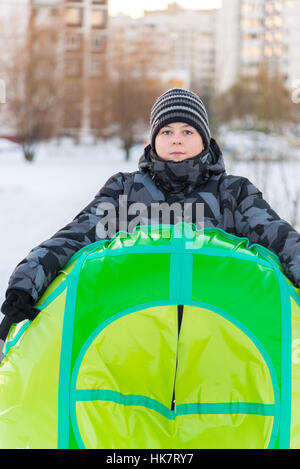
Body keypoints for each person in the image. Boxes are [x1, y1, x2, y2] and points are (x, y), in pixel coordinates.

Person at [1, 88, 300, 325]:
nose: (177, 140)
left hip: (219, 334)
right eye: (167, 132)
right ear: (154, 139)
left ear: (205, 139)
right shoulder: (125, 191)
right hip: (135, 334)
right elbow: (76, 236)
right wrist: (25, 284)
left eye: (188, 131)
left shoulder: (233, 193)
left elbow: (280, 238)